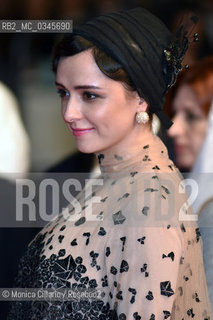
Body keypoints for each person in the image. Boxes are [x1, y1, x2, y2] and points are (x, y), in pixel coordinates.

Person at [8, 7, 212, 319]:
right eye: (63, 93)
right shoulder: (116, 182)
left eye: (89, 96)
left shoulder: (148, 198)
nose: (68, 113)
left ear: (142, 97)